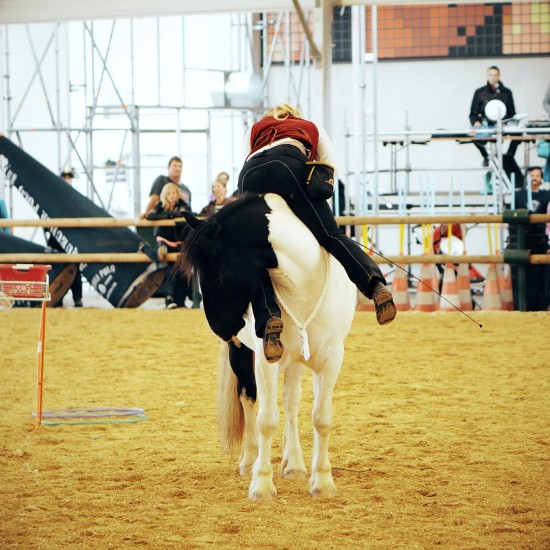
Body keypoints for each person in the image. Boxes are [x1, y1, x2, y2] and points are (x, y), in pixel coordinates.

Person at [237, 103, 396, 363]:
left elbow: (246, 158)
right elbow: (330, 166)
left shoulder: (254, 129)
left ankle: (268, 321)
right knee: (332, 236)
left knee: (254, 252)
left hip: (250, 175)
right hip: (289, 166)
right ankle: (375, 286)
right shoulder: (311, 127)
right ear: (295, 115)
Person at [507, 166, 550, 311]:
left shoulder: (547, 195)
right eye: (532, 175)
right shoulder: (518, 195)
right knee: (521, 272)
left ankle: (539, 303)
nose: (535, 178)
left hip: (540, 240)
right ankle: (521, 303)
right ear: (528, 177)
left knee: (540, 274)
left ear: (542, 178)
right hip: (520, 240)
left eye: (537, 175)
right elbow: (509, 214)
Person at [146, 182, 191, 309]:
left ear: (177, 194)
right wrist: (168, 215)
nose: (171, 196)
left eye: (174, 193)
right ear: (165, 195)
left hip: (178, 242)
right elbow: (150, 215)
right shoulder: (160, 205)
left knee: (178, 268)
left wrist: (169, 215)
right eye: (169, 193)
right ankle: (169, 297)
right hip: (164, 240)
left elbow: (184, 213)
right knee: (167, 264)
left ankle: (176, 299)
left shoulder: (182, 204)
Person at [46, 169, 83, 307]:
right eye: (65, 177)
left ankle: (77, 298)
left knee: (75, 268)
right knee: (56, 267)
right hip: (56, 237)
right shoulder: (53, 197)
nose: (67, 180)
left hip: (72, 237)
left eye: (69, 178)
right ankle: (57, 297)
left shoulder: (75, 197)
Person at [469, 66, 519, 167]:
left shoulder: (506, 93)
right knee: (473, 135)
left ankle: (509, 156)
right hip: (485, 126)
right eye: (490, 75)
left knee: (519, 135)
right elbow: (473, 114)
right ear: (487, 76)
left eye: (495, 75)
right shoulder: (480, 93)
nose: (493, 77)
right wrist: (476, 123)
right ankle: (486, 156)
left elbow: (512, 113)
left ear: (499, 76)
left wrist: (506, 123)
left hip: (502, 125)